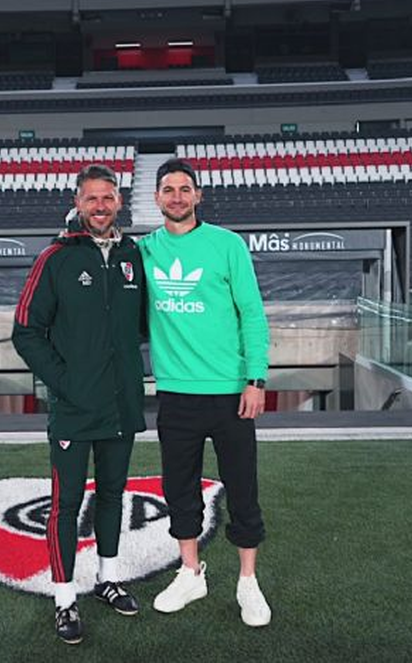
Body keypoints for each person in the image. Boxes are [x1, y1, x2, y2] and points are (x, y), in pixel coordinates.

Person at [11, 163, 147, 645]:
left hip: (122, 405)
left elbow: (147, 326)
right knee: (66, 505)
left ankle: (107, 579)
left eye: (108, 197)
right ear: (78, 201)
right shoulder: (56, 258)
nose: (100, 206)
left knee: (113, 495)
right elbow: (25, 330)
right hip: (73, 407)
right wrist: (65, 382)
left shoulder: (134, 256)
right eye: (92, 198)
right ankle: (64, 599)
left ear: (118, 202)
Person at [139, 157, 272, 627]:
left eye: (184, 189)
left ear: (198, 196)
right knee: (179, 490)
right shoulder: (143, 252)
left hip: (232, 393)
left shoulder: (227, 246)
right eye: (168, 189)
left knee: (242, 489)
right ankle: (190, 572)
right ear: (156, 198)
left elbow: (252, 315)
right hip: (175, 394)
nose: (176, 196)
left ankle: (248, 582)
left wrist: (256, 379)